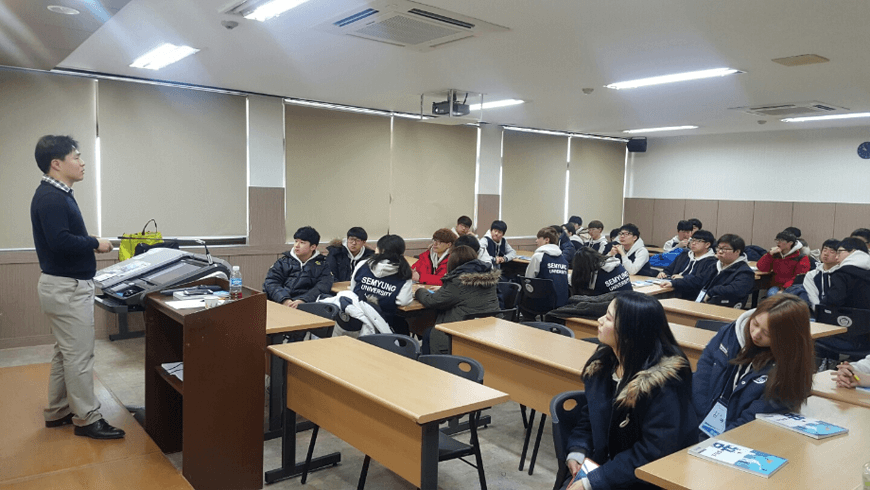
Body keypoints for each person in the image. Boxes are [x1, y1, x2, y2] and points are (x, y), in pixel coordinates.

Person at [30, 135, 125, 439]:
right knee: (79, 357)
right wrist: (95, 243)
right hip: (67, 288)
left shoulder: (56, 194)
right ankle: (87, 419)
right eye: (76, 157)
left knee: (65, 353)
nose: (82, 163)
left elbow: (61, 237)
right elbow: (60, 241)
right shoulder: (52, 198)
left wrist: (89, 241)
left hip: (62, 286)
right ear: (56, 164)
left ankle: (58, 411)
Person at [563, 292, 697, 490]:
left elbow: (652, 452)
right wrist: (578, 449)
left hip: (642, 480)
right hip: (608, 468)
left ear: (629, 331)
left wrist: (593, 482)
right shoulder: (604, 365)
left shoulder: (665, 386)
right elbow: (590, 418)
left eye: (608, 318)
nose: (599, 320)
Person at [692, 294, 814, 440]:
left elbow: (752, 420)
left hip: (737, 439)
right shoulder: (730, 333)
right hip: (702, 422)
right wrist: (700, 421)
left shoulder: (789, 372)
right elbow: (703, 372)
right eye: (755, 324)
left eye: (767, 333)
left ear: (785, 338)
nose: (756, 334)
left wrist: (716, 441)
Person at [416, 245, 500, 354]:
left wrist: (419, 291)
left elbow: (432, 301)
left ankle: (428, 363)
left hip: (457, 335)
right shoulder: (488, 279)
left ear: (453, 262)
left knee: (428, 332)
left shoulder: (457, 282)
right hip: (486, 333)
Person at [815, 237, 870, 361]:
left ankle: (824, 365)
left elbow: (831, 301)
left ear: (853, 251)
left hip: (845, 337)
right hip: (867, 341)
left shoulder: (843, 274)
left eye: (839, 252)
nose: (836, 257)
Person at [350, 234, 414, 334]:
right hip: (383, 323)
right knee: (402, 325)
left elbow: (353, 289)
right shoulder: (404, 272)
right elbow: (403, 301)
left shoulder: (363, 264)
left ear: (381, 250)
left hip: (355, 319)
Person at [668, 234, 755, 307]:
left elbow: (735, 290)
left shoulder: (745, 272)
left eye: (725, 249)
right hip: (704, 304)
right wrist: (674, 283)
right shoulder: (715, 265)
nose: (720, 251)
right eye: (719, 248)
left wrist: (711, 292)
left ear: (737, 252)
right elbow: (698, 279)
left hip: (724, 308)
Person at [263, 226, 334, 308]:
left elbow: (323, 286)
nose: (297, 245)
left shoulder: (323, 265)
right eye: (296, 241)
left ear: (313, 247)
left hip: (307, 304)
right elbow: (271, 282)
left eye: (302, 243)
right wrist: (284, 300)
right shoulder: (283, 262)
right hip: (282, 303)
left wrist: (303, 300)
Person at [659, 230, 717, 300]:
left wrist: (682, 278)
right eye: (692, 240)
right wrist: (664, 273)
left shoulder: (711, 262)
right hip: (672, 287)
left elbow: (698, 281)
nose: (693, 243)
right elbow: (669, 269)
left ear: (707, 244)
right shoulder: (684, 255)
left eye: (698, 241)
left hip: (690, 295)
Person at [526, 227, 571, 308]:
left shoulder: (538, 256)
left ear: (547, 240)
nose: (536, 241)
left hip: (541, 303)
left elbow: (528, 279)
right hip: (562, 304)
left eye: (538, 238)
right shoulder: (563, 259)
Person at [756, 231, 811, 295]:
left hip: (793, 287)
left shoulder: (801, 257)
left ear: (790, 243)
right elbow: (761, 268)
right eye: (777, 240)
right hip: (776, 286)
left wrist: (784, 289)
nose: (778, 243)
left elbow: (799, 277)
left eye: (781, 240)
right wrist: (769, 254)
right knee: (771, 294)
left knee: (776, 296)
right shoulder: (776, 254)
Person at [803, 238, 841, 309]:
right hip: (817, 311)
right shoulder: (811, 275)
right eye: (824, 250)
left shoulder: (842, 274)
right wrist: (819, 311)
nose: (826, 254)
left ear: (839, 255)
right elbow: (812, 297)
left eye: (832, 252)